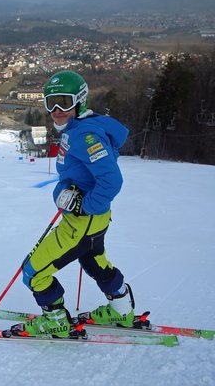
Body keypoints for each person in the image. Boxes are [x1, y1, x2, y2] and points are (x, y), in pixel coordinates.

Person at [15, 70, 134, 338]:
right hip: (94, 221)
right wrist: (65, 192)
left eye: (64, 102)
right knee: (93, 262)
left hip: (81, 223)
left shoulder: (85, 135)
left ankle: (55, 319)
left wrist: (85, 205)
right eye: (51, 103)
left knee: (33, 273)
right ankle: (121, 309)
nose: (56, 110)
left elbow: (112, 180)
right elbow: (77, 174)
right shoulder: (79, 127)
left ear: (79, 101)